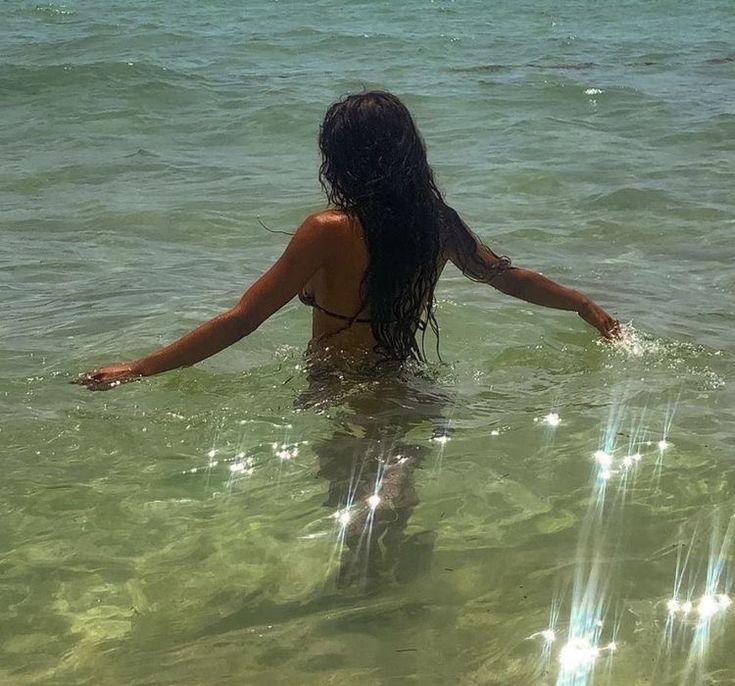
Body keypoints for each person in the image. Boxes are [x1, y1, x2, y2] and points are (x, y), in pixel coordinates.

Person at [76, 91, 619, 391]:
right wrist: (584, 306)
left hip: (336, 383)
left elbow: (245, 317)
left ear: (340, 159)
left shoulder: (326, 231)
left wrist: (142, 367)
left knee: (346, 504)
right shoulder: (433, 219)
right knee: (395, 501)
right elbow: (504, 277)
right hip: (404, 380)